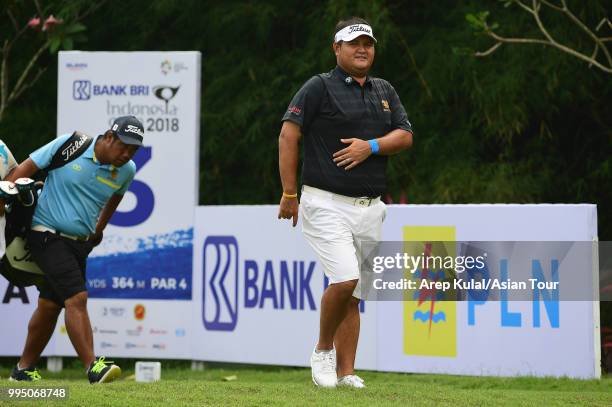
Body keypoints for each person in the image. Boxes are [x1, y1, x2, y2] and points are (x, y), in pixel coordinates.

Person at [277, 17, 413, 388]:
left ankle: (347, 372)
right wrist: (290, 193)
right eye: (354, 44)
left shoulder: (385, 89)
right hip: (325, 203)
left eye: (368, 43)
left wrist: (370, 146)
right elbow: (289, 135)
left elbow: (404, 136)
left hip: (370, 207)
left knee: (353, 295)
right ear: (336, 49)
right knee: (345, 279)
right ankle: (323, 350)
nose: (362, 49)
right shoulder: (318, 87)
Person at [5, 116, 143, 383]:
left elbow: (116, 196)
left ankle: (22, 371)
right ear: (109, 137)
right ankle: (93, 366)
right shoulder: (71, 144)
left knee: (49, 306)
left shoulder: (127, 170)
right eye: (124, 146)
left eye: (133, 150)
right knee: (77, 298)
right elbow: (25, 169)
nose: (127, 154)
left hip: (80, 245)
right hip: (45, 235)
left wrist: (99, 229)